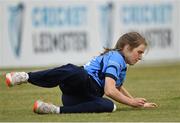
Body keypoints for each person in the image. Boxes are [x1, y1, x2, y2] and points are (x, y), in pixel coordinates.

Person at [5, 32, 158, 114]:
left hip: (75, 98)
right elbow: (109, 90)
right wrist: (131, 102)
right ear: (126, 47)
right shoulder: (116, 59)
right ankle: (25, 76)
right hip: (81, 82)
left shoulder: (121, 64)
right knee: (77, 71)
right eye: (139, 52)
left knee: (109, 106)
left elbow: (117, 87)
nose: (140, 57)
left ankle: (54, 110)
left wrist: (137, 104)